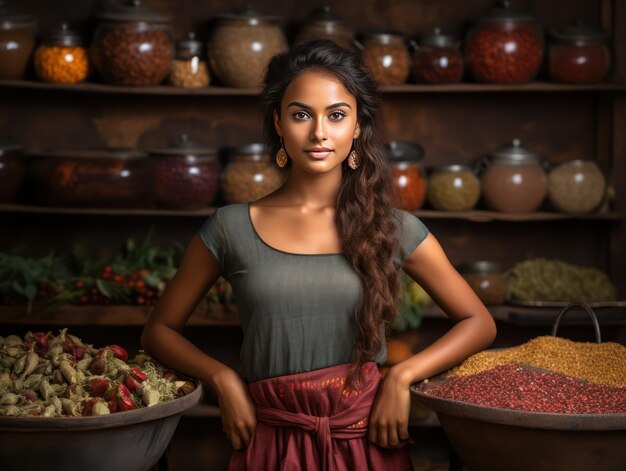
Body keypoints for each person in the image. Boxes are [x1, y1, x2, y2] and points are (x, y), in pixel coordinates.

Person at [141, 39, 496, 470]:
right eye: (301, 114)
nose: (319, 133)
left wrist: (402, 377)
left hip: (366, 442)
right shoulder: (230, 227)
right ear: (279, 123)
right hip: (269, 442)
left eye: (337, 115)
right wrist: (223, 379)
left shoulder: (393, 227)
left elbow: (479, 322)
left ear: (358, 127)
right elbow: (158, 330)